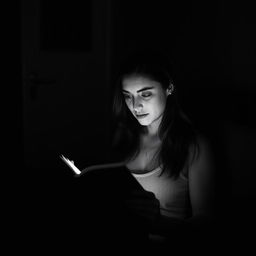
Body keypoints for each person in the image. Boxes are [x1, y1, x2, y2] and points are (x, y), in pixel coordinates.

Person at [106, 50, 216, 248]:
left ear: (169, 88)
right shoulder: (122, 138)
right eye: (127, 96)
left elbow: (206, 223)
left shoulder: (193, 145)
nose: (135, 106)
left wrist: (158, 223)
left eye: (145, 94)